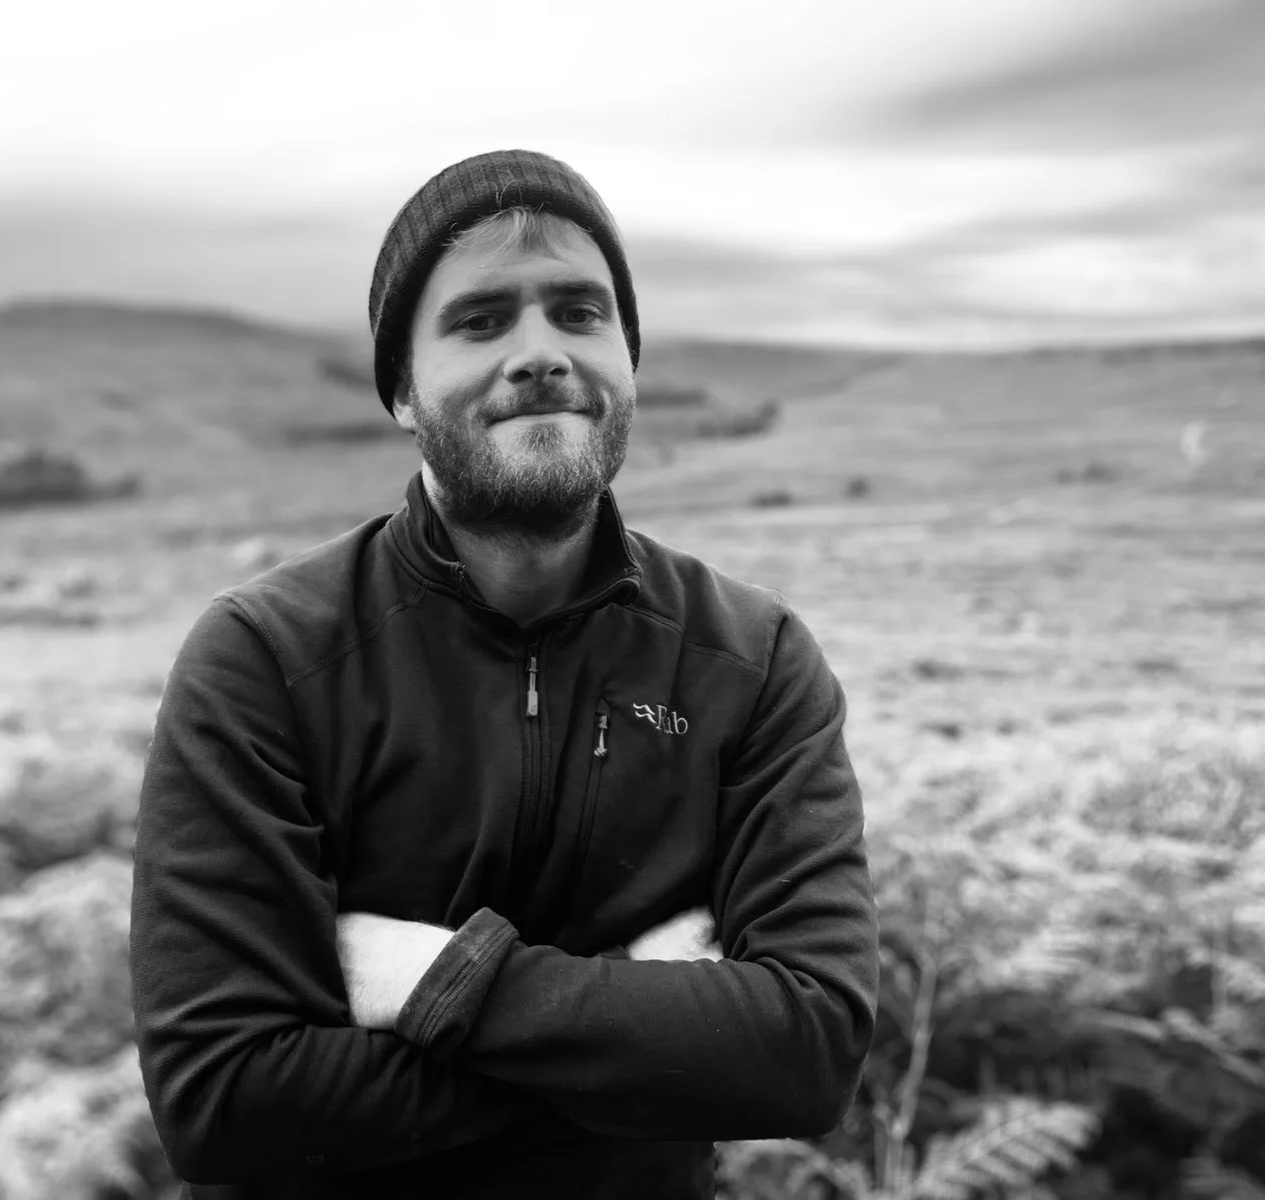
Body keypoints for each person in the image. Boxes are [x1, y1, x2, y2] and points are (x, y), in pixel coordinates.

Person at [129, 149, 880, 1199]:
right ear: (399, 388)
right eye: (481, 321)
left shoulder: (750, 660)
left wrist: (438, 986)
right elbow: (225, 1102)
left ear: (628, 357)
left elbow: (810, 1053)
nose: (540, 354)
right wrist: (645, 1027)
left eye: (580, 312)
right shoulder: (265, 659)